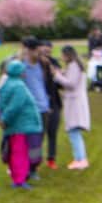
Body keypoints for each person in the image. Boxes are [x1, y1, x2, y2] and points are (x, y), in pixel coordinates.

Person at [0, 60, 43, 189]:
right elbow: (16, 105)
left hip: (16, 126)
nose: (25, 73)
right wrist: (4, 119)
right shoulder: (18, 86)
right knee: (20, 153)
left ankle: (19, 177)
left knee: (15, 152)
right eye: (23, 71)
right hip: (22, 125)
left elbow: (0, 105)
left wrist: (2, 119)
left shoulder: (6, 84)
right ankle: (19, 180)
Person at [51, 46, 91, 170]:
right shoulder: (74, 66)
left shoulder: (74, 66)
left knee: (74, 131)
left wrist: (57, 75)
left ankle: (81, 159)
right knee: (74, 132)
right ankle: (79, 158)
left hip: (75, 103)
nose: (61, 58)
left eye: (62, 55)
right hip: (74, 101)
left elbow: (71, 83)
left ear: (67, 55)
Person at [16, 37, 51, 177]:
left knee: (38, 140)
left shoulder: (43, 64)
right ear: (29, 51)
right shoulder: (20, 66)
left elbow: (48, 85)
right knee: (27, 140)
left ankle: (33, 167)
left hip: (43, 108)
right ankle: (24, 166)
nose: (40, 52)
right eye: (36, 50)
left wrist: (49, 103)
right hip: (29, 109)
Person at [38, 40, 63, 169]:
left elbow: (61, 83)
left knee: (52, 132)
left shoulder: (54, 63)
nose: (47, 51)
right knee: (39, 134)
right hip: (40, 104)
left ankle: (51, 159)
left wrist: (57, 74)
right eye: (44, 48)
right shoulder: (36, 65)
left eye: (49, 49)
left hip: (54, 102)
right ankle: (35, 161)